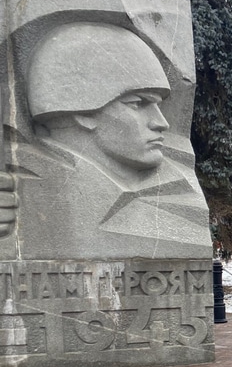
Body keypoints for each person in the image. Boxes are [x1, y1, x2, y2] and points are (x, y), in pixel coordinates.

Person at [17, 22, 211, 260]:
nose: (161, 123)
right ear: (83, 111)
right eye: (138, 104)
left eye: (157, 105)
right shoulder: (23, 188)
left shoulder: (178, 193)